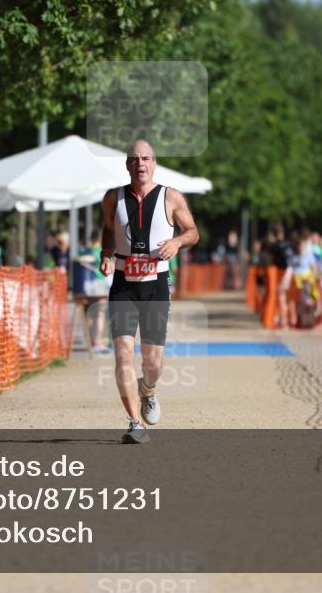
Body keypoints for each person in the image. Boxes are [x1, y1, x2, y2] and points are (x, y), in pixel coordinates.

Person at [100, 139, 199, 444]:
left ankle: (149, 390)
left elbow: (193, 232)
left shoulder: (171, 197)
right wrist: (106, 254)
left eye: (146, 158)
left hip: (156, 285)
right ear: (127, 164)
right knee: (123, 355)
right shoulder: (112, 198)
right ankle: (134, 422)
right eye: (134, 159)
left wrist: (176, 243)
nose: (140, 163)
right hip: (123, 286)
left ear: (154, 163)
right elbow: (108, 229)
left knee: (152, 363)